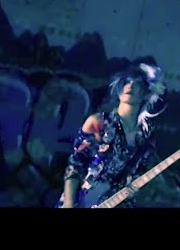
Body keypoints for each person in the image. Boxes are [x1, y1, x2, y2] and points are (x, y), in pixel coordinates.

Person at [58, 61, 166, 208]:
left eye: (138, 84)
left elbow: (140, 174)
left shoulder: (147, 135)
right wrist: (69, 204)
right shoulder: (98, 123)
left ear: (146, 93)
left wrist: (134, 189)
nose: (130, 86)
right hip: (82, 202)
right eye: (126, 81)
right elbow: (75, 166)